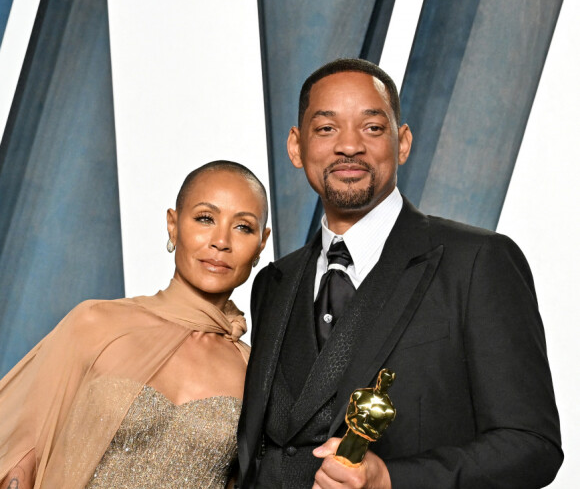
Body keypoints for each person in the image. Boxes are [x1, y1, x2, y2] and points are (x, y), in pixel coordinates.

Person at [237, 59, 563, 488]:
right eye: (326, 128)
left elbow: (531, 445)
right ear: (296, 147)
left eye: (372, 128)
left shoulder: (478, 262)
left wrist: (391, 479)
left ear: (402, 142)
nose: (349, 146)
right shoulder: (273, 282)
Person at [0, 160, 271, 489]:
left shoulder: (256, 371)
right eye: (205, 218)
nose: (220, 241)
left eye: (243, 227)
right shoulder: (96, 325)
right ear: (173, 225)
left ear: (262, 243)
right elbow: (20, 464)